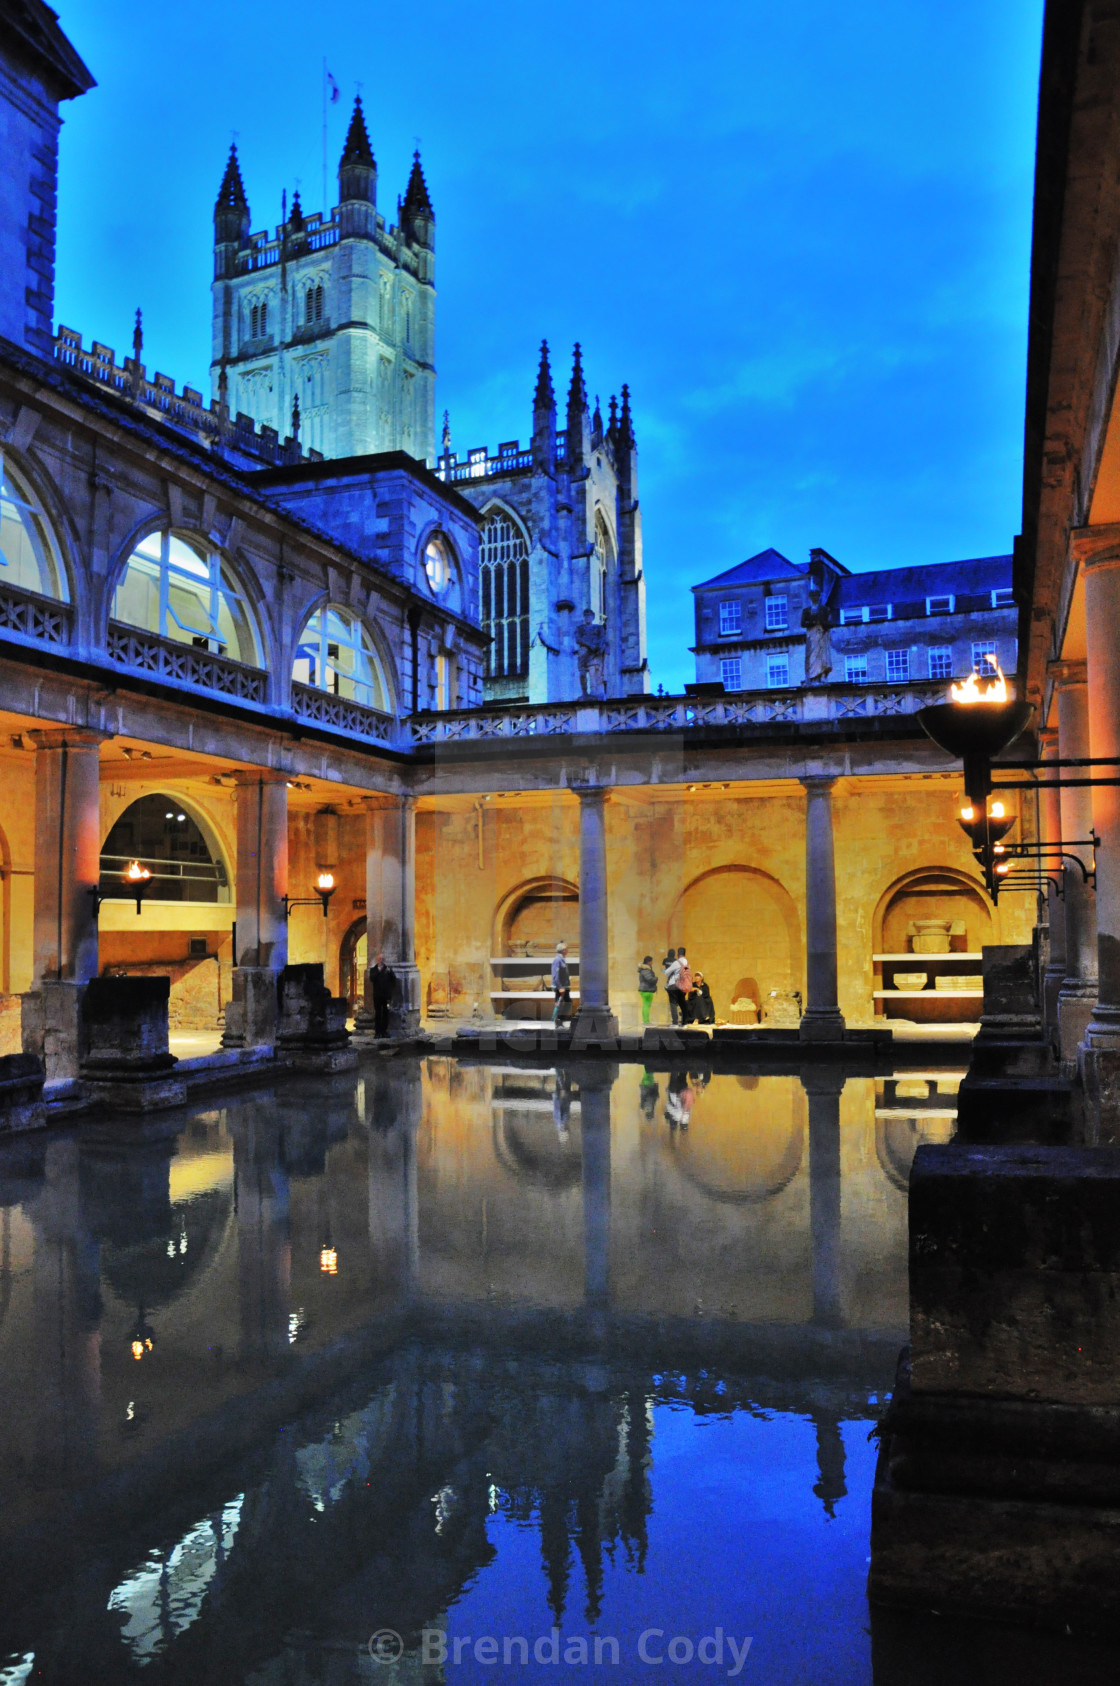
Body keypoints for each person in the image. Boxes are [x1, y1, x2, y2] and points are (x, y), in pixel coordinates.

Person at [369, 952, 397, 1038]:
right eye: (379, 959)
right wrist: (379, 971)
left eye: (382, 959)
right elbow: (372, 979)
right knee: (377, 1014)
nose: (381, 960)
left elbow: (394, 980)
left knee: (385, 1013)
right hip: (377, 995)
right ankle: (377, 1032)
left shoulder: (388, 969)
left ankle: (384, 1031)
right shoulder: (373, 970)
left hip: (386, 996)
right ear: (377, 960)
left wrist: (390, 973)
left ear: (384, 960)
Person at [551, 942, 572, 1023]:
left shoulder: (562, 959)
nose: (567, 950)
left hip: (564, 986)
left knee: (566, 1002)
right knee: (560, 1003)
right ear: (563, 950)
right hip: (560, 987)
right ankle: (558, 1019)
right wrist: (560, 987)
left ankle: (560, 1019)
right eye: (566, 948)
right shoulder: (557, 960)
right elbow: (555, 975)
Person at [637, 954, 658, 1024]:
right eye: (651, 962)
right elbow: (650, 979)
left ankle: (645, 1021)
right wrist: (656, 978)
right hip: (647, 990)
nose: (652, 963)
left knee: (645, 1005)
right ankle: (646, 1021)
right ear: (648, 962)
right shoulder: (646, 969)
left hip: (644, 989)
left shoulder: (643, 969)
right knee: (647, 1006)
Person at [674, 948, 693, 1024]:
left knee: (680, 1004)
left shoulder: (677, 962)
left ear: (677, 954)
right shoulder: (687, 963)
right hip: (685, 986)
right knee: (682, 1003)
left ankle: (683, 1021)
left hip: (679, 986)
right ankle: (684, 1020)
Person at [662, 949, 681, 1025]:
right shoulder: (676, 961)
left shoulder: (665, 960)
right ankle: (678, 1018)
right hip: (675, 982)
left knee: (672, 1003)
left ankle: (675, 1020)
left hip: (669, 982)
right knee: (676, 1002)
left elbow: (664, 969)